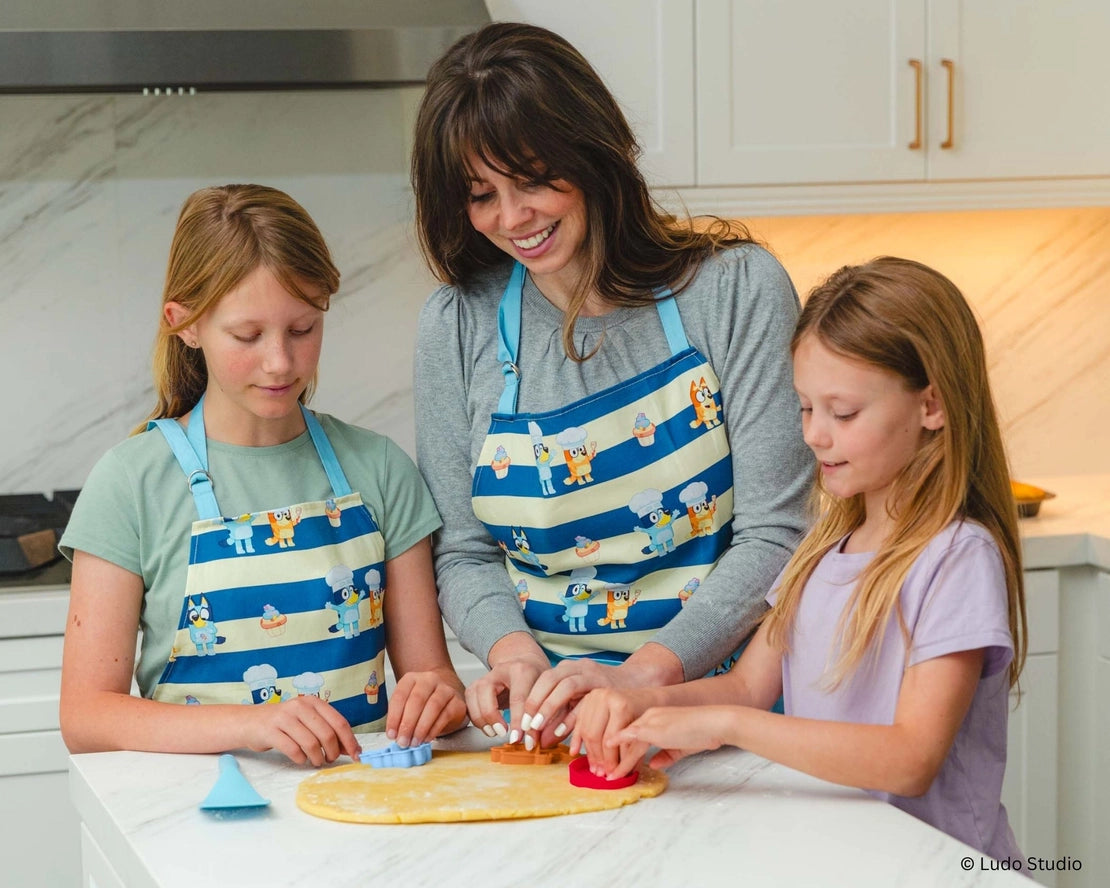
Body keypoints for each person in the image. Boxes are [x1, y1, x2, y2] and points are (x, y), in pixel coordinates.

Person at [411, 21, 811, 749]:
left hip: (723, 717)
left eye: (535, 178)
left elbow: (777, 533)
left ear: (593, 151)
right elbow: (464, 553)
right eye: (481, 194)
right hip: (553, 728)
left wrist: (643, 677)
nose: (513, 217)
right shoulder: (457, 325)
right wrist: (515, 658)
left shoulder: (735, 290)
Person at [573, 257, 1028, 861]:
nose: (814, 434)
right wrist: (641, 704)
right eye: (806, 408)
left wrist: (725, 726)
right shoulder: (820, 550)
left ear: (932, 406)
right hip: (839, 858)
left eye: (843, 412)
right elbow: (745, 687)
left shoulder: (957, 558)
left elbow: (911, 760)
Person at [59, 184, 467, 767]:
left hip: (364, 800)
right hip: (200, 807)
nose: (280, 362)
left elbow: (433, 677)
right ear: (185, 324)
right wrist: (254, 723)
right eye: (247, 336)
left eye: (302, 329)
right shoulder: (130, 483)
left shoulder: (379, 468)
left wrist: (439, 699)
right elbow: (86, 717)